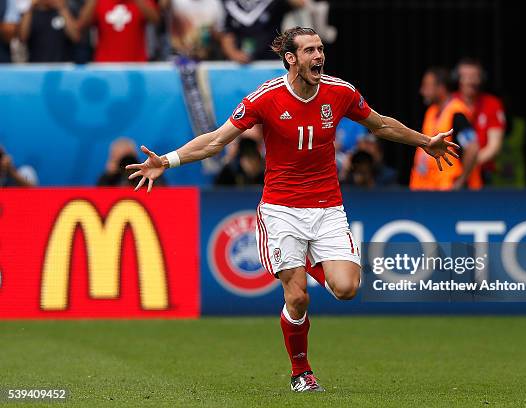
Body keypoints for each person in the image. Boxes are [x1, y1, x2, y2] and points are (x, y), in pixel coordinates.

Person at [126, 27, 458, 392]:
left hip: (328, 207)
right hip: (281, 210)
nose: (319, 56)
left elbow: (380, 124)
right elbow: (217, 140)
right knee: (297, 296)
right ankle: (301, 371)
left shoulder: (340, 92)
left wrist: (426, 141)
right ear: (291, 58)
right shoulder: (264, 98)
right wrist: (168, 161)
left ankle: (313, 264)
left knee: (346, 289)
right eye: (310, 51)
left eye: (320, 49)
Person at [410, 67, 480, 190]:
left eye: (427, 86)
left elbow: (472, 148)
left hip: (447, 191)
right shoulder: (431, 112)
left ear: (440, 88)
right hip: (426, 188)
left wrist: (460, 181)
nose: (422, 91)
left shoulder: (457, 114)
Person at [455, 58, 506, 184]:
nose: (470, 81)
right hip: (452, 173)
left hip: (483, 173)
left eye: (474, 76)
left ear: (482, 79)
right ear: (457, 79)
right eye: (465, 76)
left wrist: (469, 163)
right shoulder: (451, 104)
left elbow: (494, 147)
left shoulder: (492, 104)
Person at [219, 0, 304, 63]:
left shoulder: (273, 3)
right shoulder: (230, 3)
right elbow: (226, 31)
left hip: (271, 61)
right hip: (239, 62)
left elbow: (301, 3)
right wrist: (233, 53)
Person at [78, 0, 159, 62]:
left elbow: (155, 19)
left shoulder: (140, 2)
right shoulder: (100, 2)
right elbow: (82, 24)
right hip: (105, 65)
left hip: (136, 65)